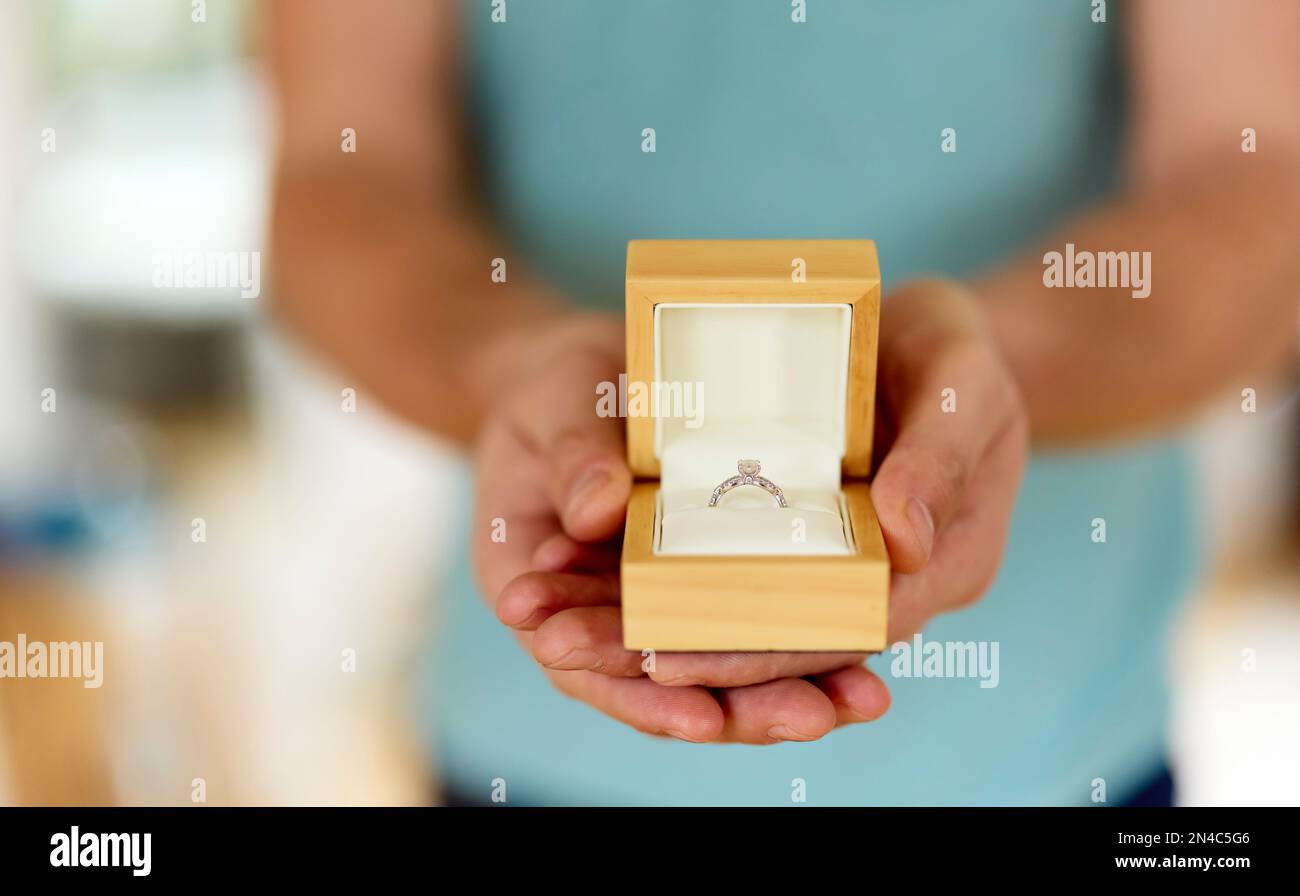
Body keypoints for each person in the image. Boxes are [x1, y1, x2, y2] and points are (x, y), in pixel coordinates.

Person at [267, 0, 1300, 805]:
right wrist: (506, 369)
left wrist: (984, 374)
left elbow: (1255, 171)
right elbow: (337, 167)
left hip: (1055, 752)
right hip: (529, 732)